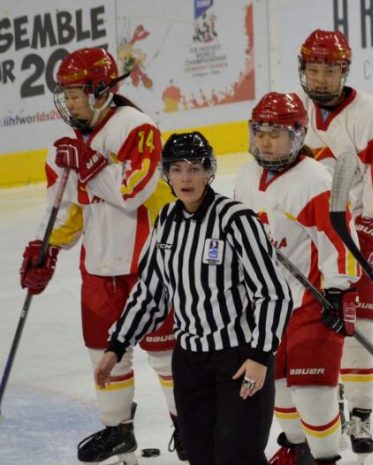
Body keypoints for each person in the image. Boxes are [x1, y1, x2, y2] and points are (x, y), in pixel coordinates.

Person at [17, 47, 182, 464]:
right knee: (103, 351)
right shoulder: (65, 147)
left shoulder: (136, 127)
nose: (70, 103)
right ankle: (118, 430)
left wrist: (90, 164)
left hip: (151, 265)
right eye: (66, 95)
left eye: (78, 94)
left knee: (165, 354)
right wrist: (46, 247)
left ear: (103, 91)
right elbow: (68, 209)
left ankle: (187, 426)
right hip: (99, 265)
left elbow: (134, 190)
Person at [96, 132, 293, 465]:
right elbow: (150, 293)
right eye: (176, 169)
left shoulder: (236, 220)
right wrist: (117, 345)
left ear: (209, 172)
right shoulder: (167, 222)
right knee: (201, 456)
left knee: (237, 455)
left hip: (239, 359)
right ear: (167, 175)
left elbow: (273, 292)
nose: (185, 177)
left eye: (194, 168)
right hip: (189, 363)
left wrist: (260, 355)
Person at [234, 92, 361, 465]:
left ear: (298, 135)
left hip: (310, 302)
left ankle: (325, 457)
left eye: (277, 133)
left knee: (312, 390)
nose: (266, 141)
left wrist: (338, 291)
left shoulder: (315, 182)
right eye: (260, 132)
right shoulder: (246, 175)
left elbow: (339, 242)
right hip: (264, 305)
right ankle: (296, 446)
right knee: (276, 385)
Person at [297, 29, 373, 454]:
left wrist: (368, 239)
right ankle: (327, 404)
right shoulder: (293, 110)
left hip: (353, 236)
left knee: (359, 327)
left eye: (330, 70)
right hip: (307, 238)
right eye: (314, 69)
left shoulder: (372, 115)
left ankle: (360, 415)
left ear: (344, 71)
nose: (321, 79)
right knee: (317, 325)